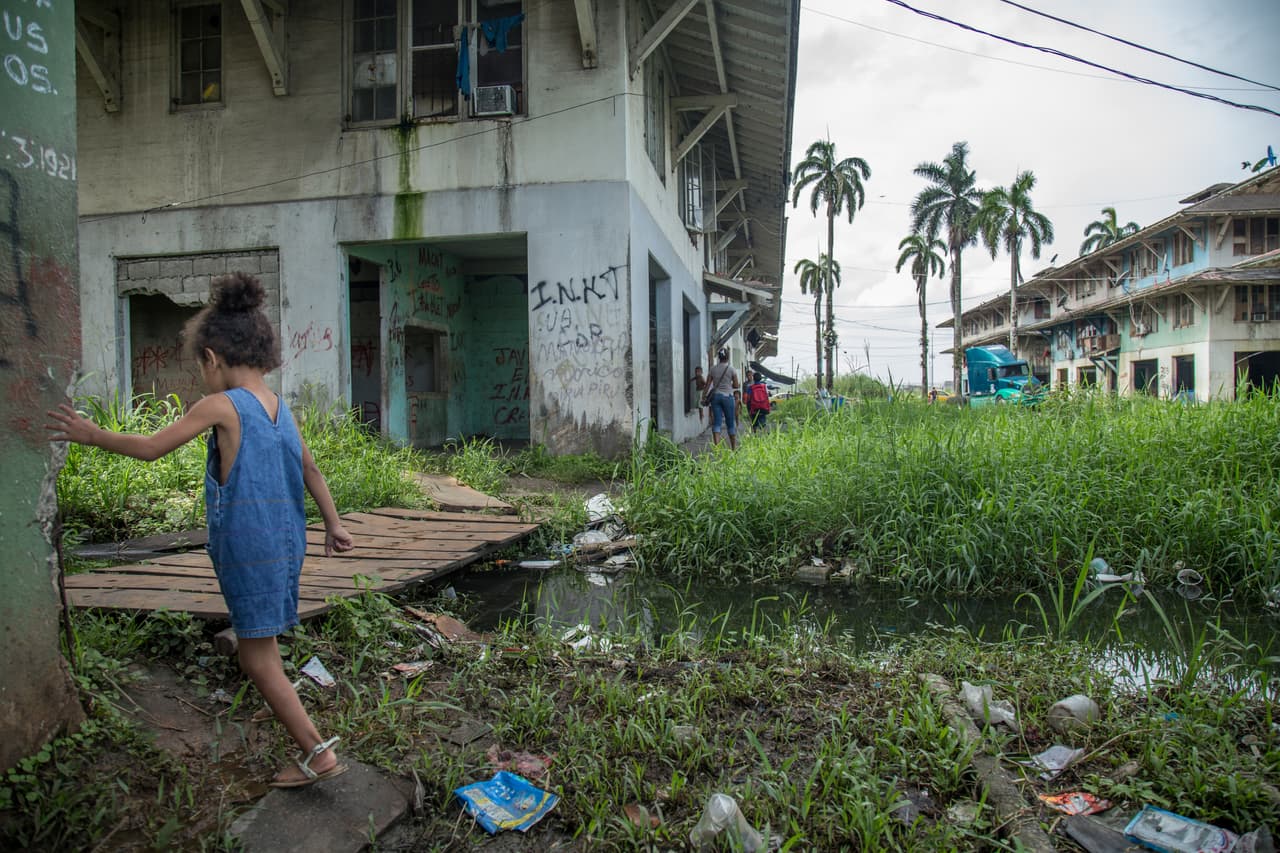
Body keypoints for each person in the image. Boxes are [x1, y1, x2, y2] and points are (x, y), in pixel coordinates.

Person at [46, 272, 354, 789]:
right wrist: (334, 524)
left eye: (199, 367)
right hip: (287, 542)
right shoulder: (281, 407)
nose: (201, 377)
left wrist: (91, 433)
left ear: (212, 357)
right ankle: (312, 744)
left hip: (248, 547)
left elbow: (149, 448)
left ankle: (317, 752)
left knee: (257, 659)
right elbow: (311, 470)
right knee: (264, 646)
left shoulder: (221, 406)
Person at [705, 347, 740, 449]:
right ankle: (733, 448)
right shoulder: (731, 369)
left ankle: (716, 448)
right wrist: (729, 385)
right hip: (728, 397)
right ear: (728, 357)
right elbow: (737, 385)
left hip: (715, 397)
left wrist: (703, 396)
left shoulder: (713, 369)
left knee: (717, 423)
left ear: (719, 357)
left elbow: (707, 384)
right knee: (730, 423)